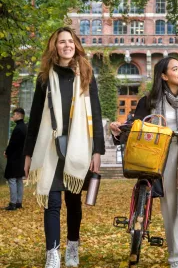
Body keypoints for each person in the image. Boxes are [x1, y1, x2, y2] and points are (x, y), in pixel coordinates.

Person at [110, 57, 178, 268]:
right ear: (164, 76)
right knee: (170, 211)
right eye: (175, 69)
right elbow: (135, 129)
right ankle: (175, 258)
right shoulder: (150, 101)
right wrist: (117, 132)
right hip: (159, 159)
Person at [23, 27, 105, 268]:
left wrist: (97, 150)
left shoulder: (86, 74)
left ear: (76, 45)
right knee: (52, 201)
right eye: (62, 42)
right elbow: (35, 117)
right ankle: (53, 254)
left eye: (70, 41)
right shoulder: (45, 78)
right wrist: (28, 154)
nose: (67, 45)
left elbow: (96, 114)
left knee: (73, 201)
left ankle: (72, 247)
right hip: (50, 147)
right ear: (54, 47)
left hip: (79, 146)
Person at [3, 107, 27, 210]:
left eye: (14, 114)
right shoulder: (25, 127)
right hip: (21, 157)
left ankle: (13, 203)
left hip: (14, 157)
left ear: (18, 115)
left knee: (12, 179)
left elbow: (13, 143)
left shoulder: (18, 128)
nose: (13, 116)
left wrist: (7, 152)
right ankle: (18, 202)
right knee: (19, 180)